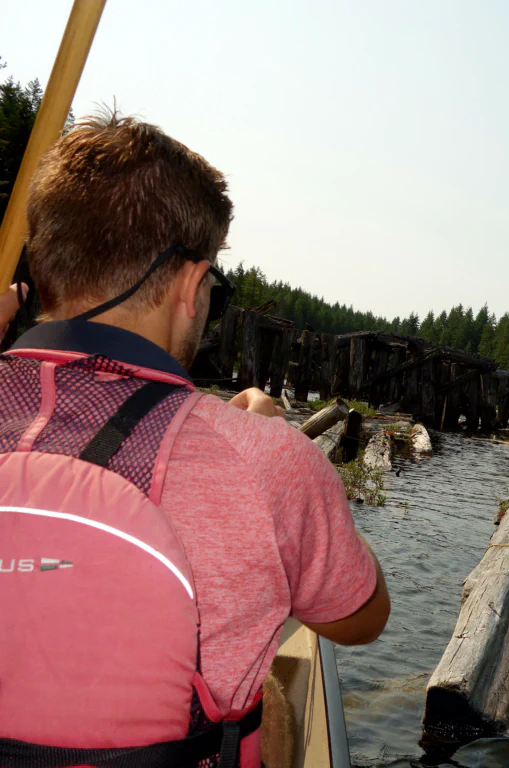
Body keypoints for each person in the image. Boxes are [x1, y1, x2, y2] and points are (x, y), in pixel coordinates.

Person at [0, 114, 389, 768]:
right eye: (214, 288)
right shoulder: (264, 460)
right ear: (188, 284)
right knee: (271, 697)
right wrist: (273, 448)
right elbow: (362, 617)